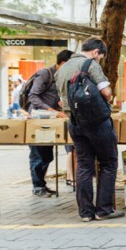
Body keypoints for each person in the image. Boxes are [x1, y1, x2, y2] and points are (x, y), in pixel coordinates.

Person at [56, 37, 123, 222]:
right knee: (108, 163)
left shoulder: (62, 69)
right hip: (97, 122)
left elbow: (61, 100)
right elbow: (107, 92)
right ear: (95, 52)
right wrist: (107, 100)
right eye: (100, 56)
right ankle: (104, 210)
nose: (99, 59)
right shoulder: (91, 65)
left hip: (74, 123)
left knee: (84, 165)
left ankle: (85, 213)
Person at [27, 50, 74, 197]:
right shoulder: (45, 74)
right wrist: (52, 110)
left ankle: (42, 184)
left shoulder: (62, 78)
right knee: (38, 154)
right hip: (38, 120)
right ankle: (37, 187)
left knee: (47, 155)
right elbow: (33, 96)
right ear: (62, 63)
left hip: (51, 121)